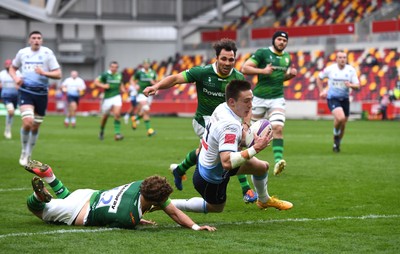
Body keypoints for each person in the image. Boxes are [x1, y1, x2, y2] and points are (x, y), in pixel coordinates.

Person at [143, 39, 258, 204]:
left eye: (231, 59)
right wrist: (156, 87)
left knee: (206, 153)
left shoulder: (237, 77)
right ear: (216, 58)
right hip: (203, 121)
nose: (227, 63)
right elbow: (175, 78)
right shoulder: (203, 72)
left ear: (235, 59)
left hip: (227, 122)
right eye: (223, 59)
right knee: (231, 149)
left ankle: (180, 169)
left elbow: (248, 103)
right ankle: (246, 188)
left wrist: (246, 125)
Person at [171, 80, 293, 213]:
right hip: (210, 177)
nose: (251, 105)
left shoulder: (223, 108)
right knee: (216, 208)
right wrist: (255, 148)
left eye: (251, 100)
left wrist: (251, 139)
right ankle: (169, 204)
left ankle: (264, 200)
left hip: (208, 161)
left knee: (262, 168)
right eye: (246, 101)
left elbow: (234, 139)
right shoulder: (230, 125)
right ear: (232, 102)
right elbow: (227, 163)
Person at [24, 160, 216, 231]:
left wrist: (194, 226)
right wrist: (196, 227)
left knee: (67, 197)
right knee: (36, 208)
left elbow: (172, 211)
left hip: (88, 194)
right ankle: (39, 196)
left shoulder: (142, 184)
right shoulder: (129, 218)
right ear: (154, 201)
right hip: (77, 212)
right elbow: (173, 213)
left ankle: (50, 176)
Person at [241, 30, 297, 176]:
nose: (282, 42)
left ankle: (278, 161)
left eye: (284, 41)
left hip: (277, 98)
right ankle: (243, 158)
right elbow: (245, 68)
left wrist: (289, 76)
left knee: (278, 127)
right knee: (249, 134)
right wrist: (263, 71)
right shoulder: (262, 53)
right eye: (279, 39)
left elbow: (280, 78)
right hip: (259, 97)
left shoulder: (287, 57)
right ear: (274, 40)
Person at [8, 31, 62, 166]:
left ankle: (29, 152)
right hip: (26, 91)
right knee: (27, 122)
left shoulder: (47, 53)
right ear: (29, 40)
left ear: (42, 41)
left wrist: (44, 72)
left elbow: (58, 74)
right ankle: (24, 151)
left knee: (35, 126)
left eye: (39, 38)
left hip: (42, 94)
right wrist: (16, 78)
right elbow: (12, 68)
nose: (36, 40)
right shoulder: (23, 53)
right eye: (34, 38)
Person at [316, 51, 360, 152]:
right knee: (341, 118)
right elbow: (319, 78)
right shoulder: (330, 69)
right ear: (336, 59)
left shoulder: (351, 70)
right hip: (333, 98)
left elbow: (357, 86)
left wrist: (351, 85)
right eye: (340, 57)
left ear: (346, 59)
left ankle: (337, 144)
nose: (342, 59)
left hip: (345, 99)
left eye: (344, 57)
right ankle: (336, 134)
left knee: (343, 124)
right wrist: (321, 91)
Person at [95, 61, 125, 141]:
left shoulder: (119, 75)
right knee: (105, 117)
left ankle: (117, 133)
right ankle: (101, 131)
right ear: (110, 67)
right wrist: (103, 85)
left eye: (116, 67)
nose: (114, 68)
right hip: (107, 97)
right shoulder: (105, 75)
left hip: (117, 96)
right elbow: (96, 82)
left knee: (117, 114)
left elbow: (121, 84)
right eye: (112, 67)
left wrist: (123, 89)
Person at [131, 59, 157, 136]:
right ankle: (149, 130)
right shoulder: (139, 72)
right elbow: (132, 80)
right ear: (143, 65)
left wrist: (154, 83)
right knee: (146, 109)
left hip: (149, 95)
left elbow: (156, 82)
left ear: (149, 65)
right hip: (141, 93)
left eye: (148, 64)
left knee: (144, 112)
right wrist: (135, 86)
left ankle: (135, 119)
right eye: (145, 64)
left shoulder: (153, 73)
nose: (146, 65)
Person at [0, 59, 20, 139]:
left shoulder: (17, 73)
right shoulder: (1, 74)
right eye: (6, 64)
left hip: (15, 96)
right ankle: (8, 130)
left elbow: (21, 82)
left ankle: (8, 129)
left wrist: (19, 85)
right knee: (11, 111)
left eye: (9, 64)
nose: (8, 65)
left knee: (11, 113)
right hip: (6, 95)